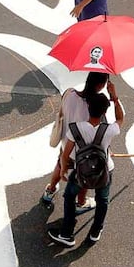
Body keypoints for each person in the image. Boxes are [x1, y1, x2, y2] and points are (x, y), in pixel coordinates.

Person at [48, 84, 124, 247]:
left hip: (80, 172)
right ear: (105, 112)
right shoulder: (109, 130)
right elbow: (120, 119)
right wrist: (114, 97)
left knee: (69, 196)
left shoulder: (75, 129)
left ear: (88, 107)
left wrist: (62, 171)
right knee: (102, 200)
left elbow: (65, 153)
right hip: (105, 170)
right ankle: (95, 232)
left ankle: (67, 234)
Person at [40, 71, 110, 213]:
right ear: (101, 85)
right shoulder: (96, 106)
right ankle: (81, 202)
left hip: (66, 143)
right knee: (84, 175)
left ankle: (50, 190)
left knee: (60, 164)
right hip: (84, 152)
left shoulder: (69, 93)